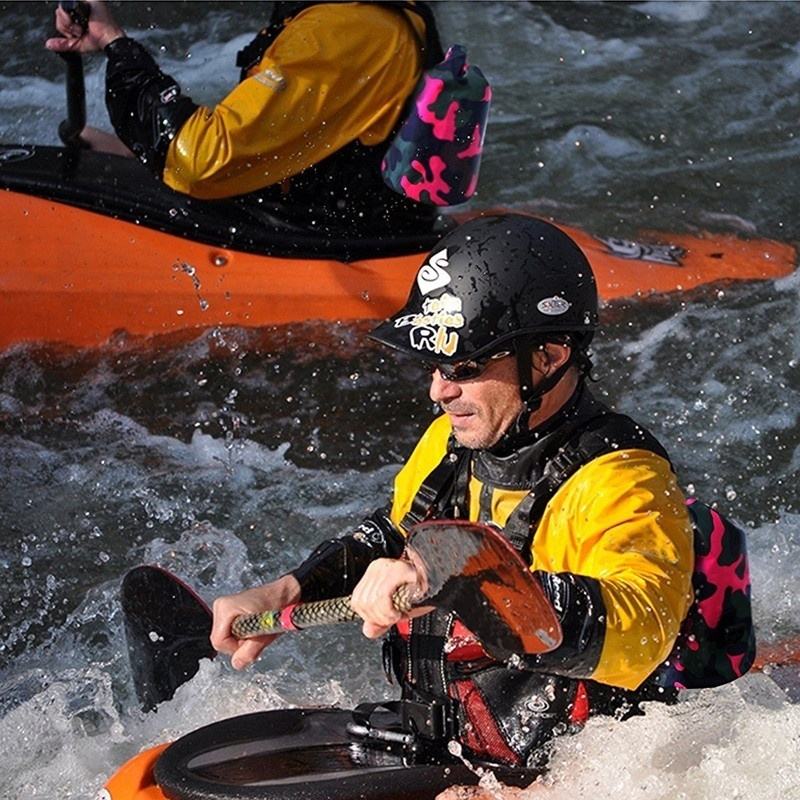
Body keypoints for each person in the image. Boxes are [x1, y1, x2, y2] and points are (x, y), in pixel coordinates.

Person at [209, 212, 698, 769]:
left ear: (549, 357)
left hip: (578, 767)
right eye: (437, 364)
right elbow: (394, 533)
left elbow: (644, 632)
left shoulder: (621, 475)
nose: (439, 390)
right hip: (453, 745)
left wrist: (453, 577)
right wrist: (291, 588)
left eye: (463, 366)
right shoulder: (454, 439)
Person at [45, 0, 444, 234]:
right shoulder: (336, 16)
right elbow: (268, 144)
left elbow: (198, 162)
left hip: (318, 240)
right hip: (313, 215)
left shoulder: (348, 30)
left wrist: (116, 46)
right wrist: (133, 154)